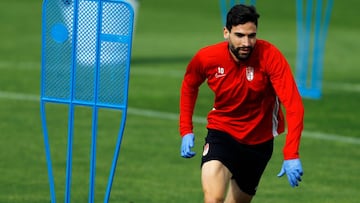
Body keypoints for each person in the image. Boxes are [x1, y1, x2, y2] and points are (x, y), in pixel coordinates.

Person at [179, 4, 304, 203]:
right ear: (226, 32)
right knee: (214, 197)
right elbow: (189, 86)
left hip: (259, 143)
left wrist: (291, 153)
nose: (246, 42)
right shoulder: (207, 58)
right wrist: (186, 129)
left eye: (251, 35)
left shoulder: (270, 56)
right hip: (222, 134)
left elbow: (294, 105)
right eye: (239, 35)